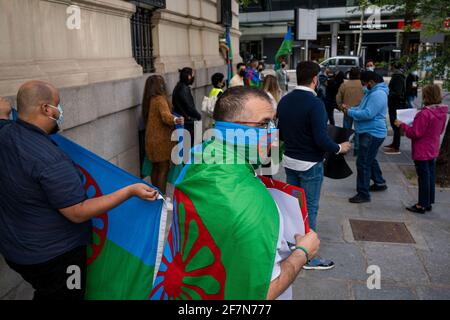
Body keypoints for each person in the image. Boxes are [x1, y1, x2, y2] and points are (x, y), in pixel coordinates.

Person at [156, 86, 321, 300]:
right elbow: (261, 294)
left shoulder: (202, 156)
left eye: (273, 123)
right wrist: (302, 253)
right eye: (264, 124)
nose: (272, 132)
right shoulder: (248, 205)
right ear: (232, 128)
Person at [0, 80, 158, 300]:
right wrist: (129, 191)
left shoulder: (5, 133)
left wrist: (5, 108)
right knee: (69, 295)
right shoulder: (49, 159)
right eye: (58, 104)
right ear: (46, 109)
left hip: (15, 251)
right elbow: (78, 211)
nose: (61, 110)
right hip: (56, 258)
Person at [277, 61, 351, 270]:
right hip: (310, 163)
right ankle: (308, 257)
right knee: (310, 209)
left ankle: (293, 246)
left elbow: (280, 133)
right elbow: (321, 139)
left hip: (290, 161)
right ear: (315, 79)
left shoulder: (285, 100)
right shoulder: (315, 103)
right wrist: (339, 147)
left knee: (294, 207)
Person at [395, 84, 448, 214]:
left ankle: (421, 205)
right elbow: (440, 131)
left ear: (426, 96)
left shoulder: (424, 114)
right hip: (433, 148)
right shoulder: (441, 112)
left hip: (421, 149)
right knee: (430, 176)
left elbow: (415, 133)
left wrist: (403, 125)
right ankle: (428, 202)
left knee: (423, 177)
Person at [343, 71, 389, 203]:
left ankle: (363, 194)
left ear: (371, 82)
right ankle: (380, 183)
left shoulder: (378, 94)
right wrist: (353, 108)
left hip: (372, 132)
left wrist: (350, 112)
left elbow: (368, 114)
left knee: (363, 163)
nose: (363, 86)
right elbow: (363, 108)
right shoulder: (373, 92)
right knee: (370, 158)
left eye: (364, 83)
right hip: (369, 131)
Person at [143, 75, 184, 195]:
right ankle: (162, 198)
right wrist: (176, 120)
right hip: (161, 141)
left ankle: (155, 196)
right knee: (163, 169)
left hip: (150, 140)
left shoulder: (148, 100)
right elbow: (166, 116)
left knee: (155, 168)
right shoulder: (160, 99)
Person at [172, 67, 201, 147]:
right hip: (187, 122)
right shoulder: (183, 89)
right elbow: (189, 107)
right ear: (189, 76)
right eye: (193, 75)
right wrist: (198, 116)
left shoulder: (179, 87)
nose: (194, 78)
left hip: (185, 120)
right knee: (190, 147)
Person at [384, 61, 407, 155]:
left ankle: (396, 146)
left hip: (396, 105)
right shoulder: (398, 76)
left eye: (391, 66)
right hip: (395, 104)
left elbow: (397, 93)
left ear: (393, 67)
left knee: (396, 125)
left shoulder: (397, 77)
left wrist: (388, 92)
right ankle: (394, 144)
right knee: (395, 126)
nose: (390, 68)